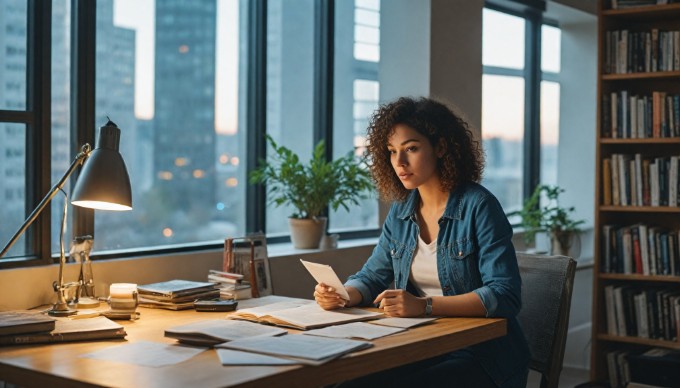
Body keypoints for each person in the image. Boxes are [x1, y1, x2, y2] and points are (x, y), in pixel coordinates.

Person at [313, 97, 530, 387]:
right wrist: (344, 294)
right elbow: (373, 275)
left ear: (440, 147)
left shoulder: (480, 206)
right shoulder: (401, 211)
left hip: (484, 355)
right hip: (424, 344)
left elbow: (505, 295)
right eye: (392, 152)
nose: (399, 163)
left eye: (411, 149)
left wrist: (424, 305)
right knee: (345, 382)